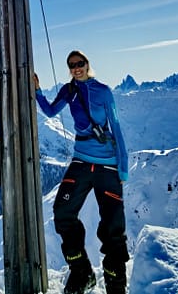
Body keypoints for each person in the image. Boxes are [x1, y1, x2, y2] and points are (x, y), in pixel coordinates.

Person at [34, 50, 129, 294]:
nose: (76, 68)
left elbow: (115, 127)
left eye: (80, 63)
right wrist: (37, 91)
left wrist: (123, 168)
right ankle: (82, 273)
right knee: (63, 212)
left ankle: (116, 287)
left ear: (88, 64)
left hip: (107, 163)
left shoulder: (103, 91)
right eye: (72, 65)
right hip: (81, 160)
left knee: (113, 228)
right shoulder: (69, 91)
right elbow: (51, 111)